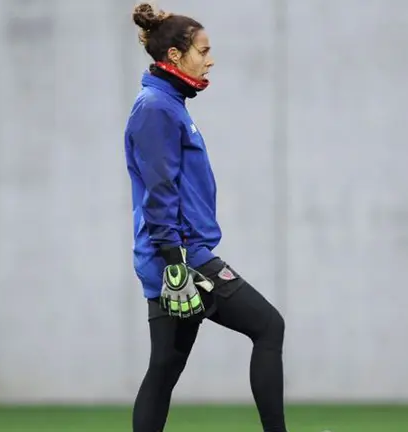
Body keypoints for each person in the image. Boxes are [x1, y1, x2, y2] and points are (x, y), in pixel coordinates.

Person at [123, 3, 289, 432]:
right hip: (181, 257)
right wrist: (176, 263)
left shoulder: (167, 103)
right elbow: (160, 190)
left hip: (171, 255)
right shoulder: (157, 108)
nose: (210, 58)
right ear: (175, 56)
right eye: (203, 49)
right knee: (269, 326)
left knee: (164, 369)